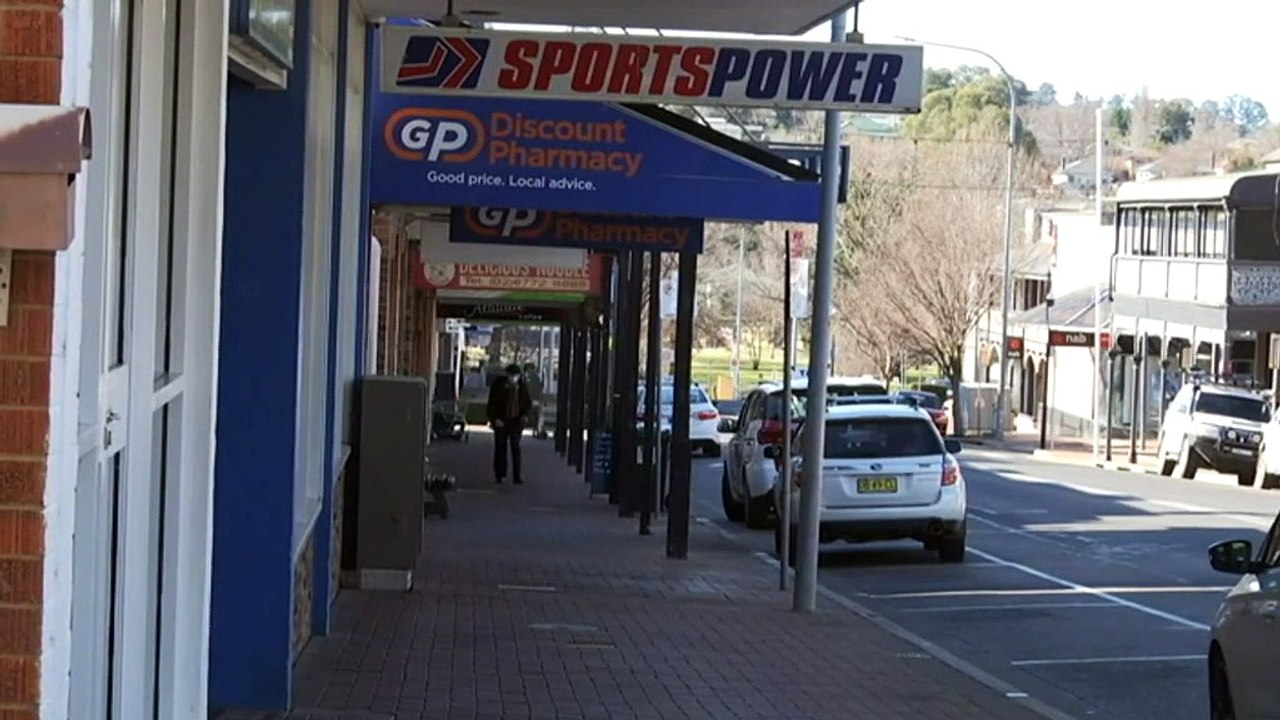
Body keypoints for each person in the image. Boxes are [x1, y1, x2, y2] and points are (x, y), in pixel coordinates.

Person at [486, 363, 533, 484]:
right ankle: (500, 474)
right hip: (501, 419)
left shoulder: (521, 387)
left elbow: (527, 403)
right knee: (500, 448)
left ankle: (517, 476)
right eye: (511, 375)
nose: (513, 378)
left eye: (516, 376)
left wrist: (524, 416)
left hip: (515, 421)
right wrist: (494, 418)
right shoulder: (499, 385)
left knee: (515, 447)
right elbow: (492, 403)